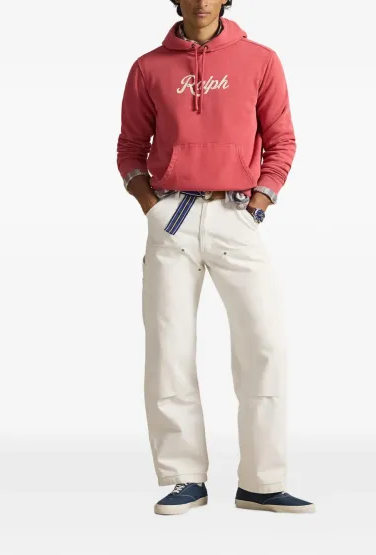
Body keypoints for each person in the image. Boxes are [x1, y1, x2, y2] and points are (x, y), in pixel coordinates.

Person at [116, 0, 315, 515]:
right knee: (169, 347)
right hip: (172, 217)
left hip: (236, 215)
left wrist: (260, 202)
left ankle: (262, 482)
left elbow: (281, 140)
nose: (202, 2)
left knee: (264, 344)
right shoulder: (149, 67)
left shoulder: (261, 59)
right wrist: (150, 205)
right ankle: (184, 478)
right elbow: (130, 145)